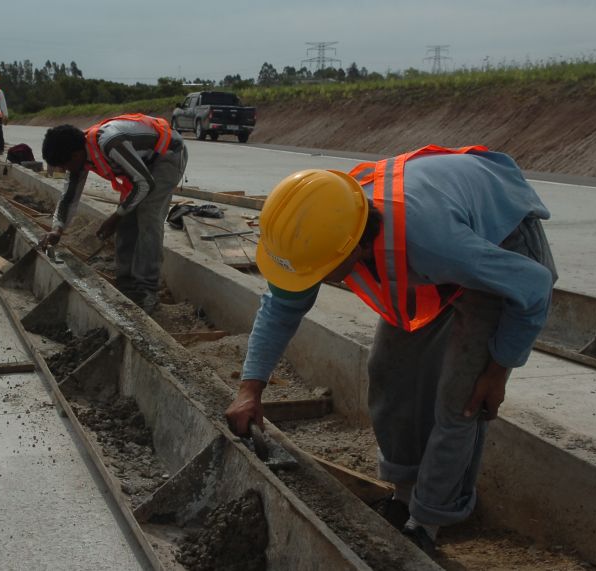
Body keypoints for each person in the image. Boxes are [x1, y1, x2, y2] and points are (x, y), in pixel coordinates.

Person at [224, 145, 557, 555]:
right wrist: (250, 389)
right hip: (443, 238)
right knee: (388, 368)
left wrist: (498, 370)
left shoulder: (433, 244)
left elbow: (534, 286)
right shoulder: (326, 221)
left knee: (462, 399)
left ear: (355, 249)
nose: (312, 280)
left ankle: (430, 521)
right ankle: (406, 494)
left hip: (502, 242)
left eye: (320, 271)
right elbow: (281, 306)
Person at [39, 114, 188, 314]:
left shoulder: (110, 143)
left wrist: (115, 217)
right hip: (141, 167)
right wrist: (57, 229)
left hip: (167, 155)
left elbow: (145, 183)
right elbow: (68, 197)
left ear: (75, 156)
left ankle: (146, 289)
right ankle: (126, 283)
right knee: (127, 221)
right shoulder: (79, 155)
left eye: (65, 166)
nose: (66, 170)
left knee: (148, 217)